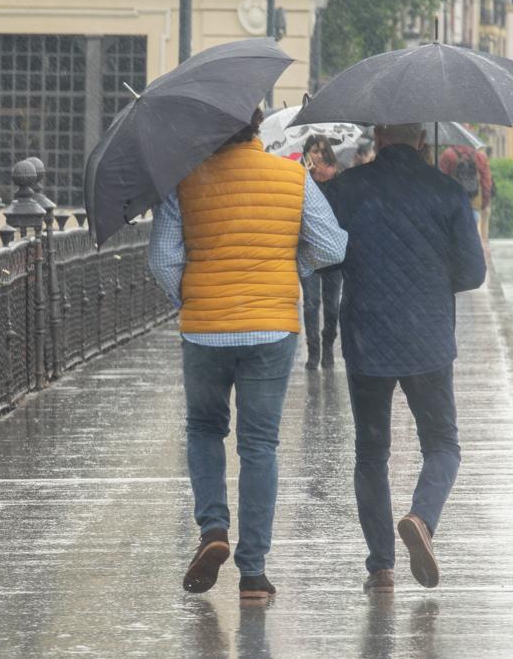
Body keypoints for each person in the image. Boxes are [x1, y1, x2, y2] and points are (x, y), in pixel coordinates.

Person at [148, 107, 347, 600]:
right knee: (259, 445)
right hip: (271, 328)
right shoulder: (290, 176)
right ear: (257, 127)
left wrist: (188, 296)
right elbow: (332, 247)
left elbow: (162, 257)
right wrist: (287, 262)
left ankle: (213, 528)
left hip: (205, 329)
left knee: (204, 430)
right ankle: (253, 573)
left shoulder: (184, 181)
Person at [321, 123, 485, 594]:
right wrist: (431, 279)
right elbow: (473, 272)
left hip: (367, 336)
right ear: (421, 138)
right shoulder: (447, 190)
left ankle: (381, 567)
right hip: (428, 339)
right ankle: (421, 518)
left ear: (377, 134)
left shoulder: (345, 189)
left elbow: (326, 258)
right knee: (443, 444)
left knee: (371, 453)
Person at [300, 135, 343, 370]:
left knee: (332, 306)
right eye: (313, 150)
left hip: (333, 253)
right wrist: (303, 177)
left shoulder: (337, 178)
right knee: (310, 303)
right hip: (308, 251)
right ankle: (313, 351)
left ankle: (328, 345)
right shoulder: (299, 178)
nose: (317, 155)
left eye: (322, 150)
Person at [438, 143, 493, 248]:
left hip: (452, 207)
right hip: (473, 205)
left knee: (452, 243)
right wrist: (484, 204)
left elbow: (441, 183)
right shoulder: (480, 156)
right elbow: (486, 183)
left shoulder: (447, 155)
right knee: (472, 242)